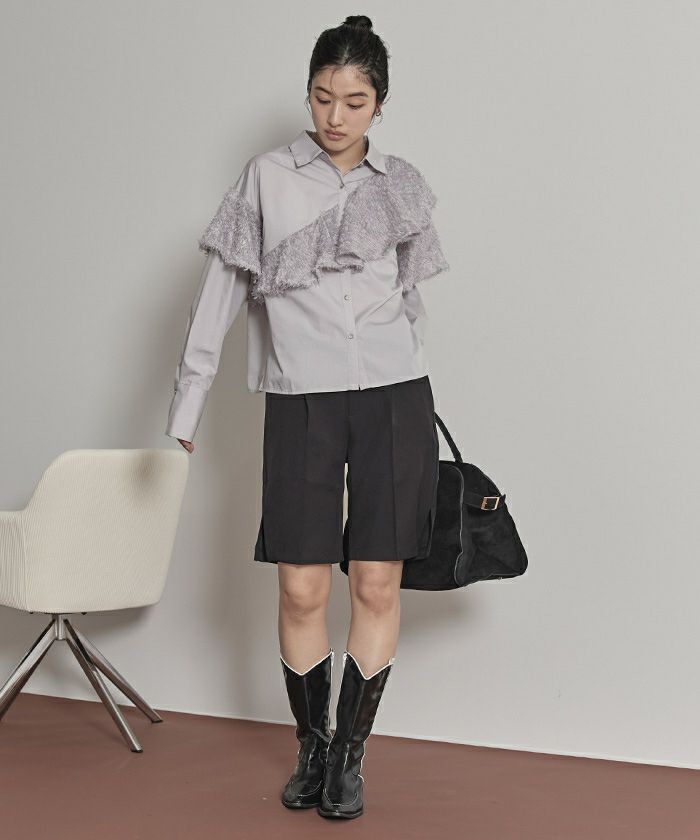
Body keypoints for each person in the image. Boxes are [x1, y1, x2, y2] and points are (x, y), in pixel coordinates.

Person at [165, 14, 449, 821]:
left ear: (379, 104)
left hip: (395, 396)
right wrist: (189, 397)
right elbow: (219, 293)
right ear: (308, 93)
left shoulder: (400, 185)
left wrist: (411, 378)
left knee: (378, 580)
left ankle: (350, 759)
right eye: (323, 97)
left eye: (354, 102)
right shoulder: (266, 177)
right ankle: (312, 747)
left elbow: (409, 300)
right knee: (299, 587)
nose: (335, 116)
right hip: (302, 399)